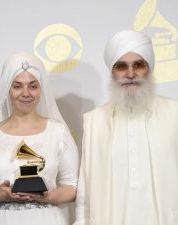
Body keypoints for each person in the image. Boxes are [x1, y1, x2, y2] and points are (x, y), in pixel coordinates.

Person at [74, 29, 178, 225]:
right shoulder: (94, 121)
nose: (130, 74)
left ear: (150, 68)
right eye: (121, 67)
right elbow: (85, 190)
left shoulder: (175, 114)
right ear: (112, 72)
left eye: (138, 65)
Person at [0, 52, 79, 225]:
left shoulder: (57, 131)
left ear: (41, 88)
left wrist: (48, 197)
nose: (26, 93)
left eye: (33, 86)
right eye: (17, 86)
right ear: (7, 88)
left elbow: (72, 186)